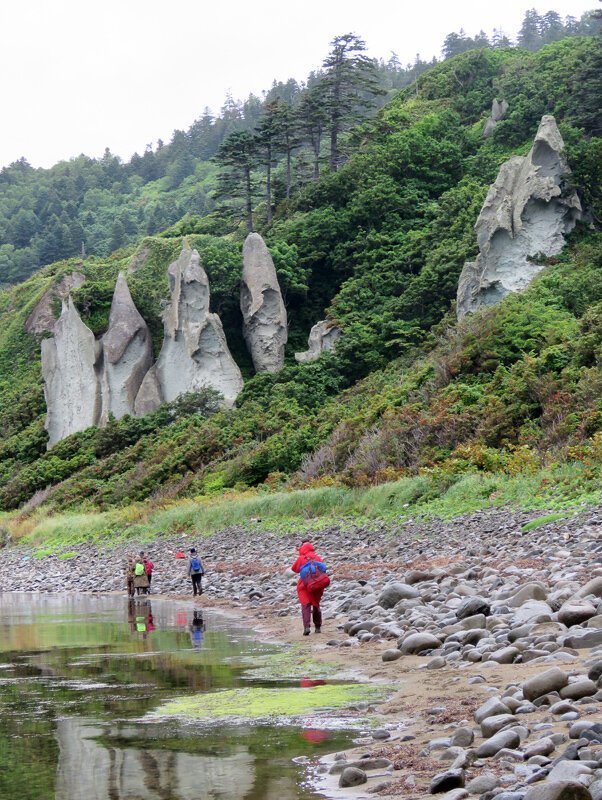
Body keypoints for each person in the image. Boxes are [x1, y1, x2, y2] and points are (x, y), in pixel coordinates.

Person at [291, 540, 329, 636]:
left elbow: (294, 569)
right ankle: (317, 627)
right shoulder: (318, 558)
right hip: (317, 585)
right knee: (316, 605)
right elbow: (323, 569)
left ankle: (306, 627)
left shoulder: (301, 558)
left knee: (305, 605)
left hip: (304, 585)